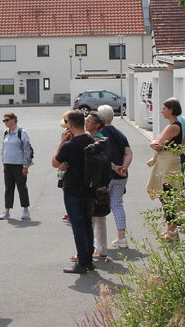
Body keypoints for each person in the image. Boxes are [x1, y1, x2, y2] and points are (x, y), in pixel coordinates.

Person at [51, 110, 96, 274]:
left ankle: (82, 263)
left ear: (70, 125)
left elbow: (55, 163)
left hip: (73, 190)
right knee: (87, 224)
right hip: (90, 188)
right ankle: (89, 260)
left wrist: (62, 141)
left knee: (77, 226)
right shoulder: (91, 139)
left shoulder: (70, 145)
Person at [97, 104, 133, 250]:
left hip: (105, 176)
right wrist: (124, 166)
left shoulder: (99, 134)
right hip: (121, 176)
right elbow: (128, 152)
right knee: (117, 204)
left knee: (99, 207)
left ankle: (98, 242)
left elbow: (102, 156)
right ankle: (122, 237)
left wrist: (113, 167)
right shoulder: (120, 133)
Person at [148, 98, 184, 242]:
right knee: (167, 195)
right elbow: (157, 143)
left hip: (168, 165)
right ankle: (170, 230)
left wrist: (154, 143)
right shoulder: (172, 125)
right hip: (168, 163)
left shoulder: (173, 127)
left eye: (164, 108)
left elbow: (157, 143)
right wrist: (155, 143)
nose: (161, 111)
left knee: (167, 196)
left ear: (171, 110)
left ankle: (172, 231)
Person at [0, 112, 32, 220]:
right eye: (4, 120)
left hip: (19, 165)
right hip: (8, 164)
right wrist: (4, 163)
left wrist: (25, 166)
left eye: (7, 120)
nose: (5, 122)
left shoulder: (22, 133)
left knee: (21, 187)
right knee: (8, 187)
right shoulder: (5, 133)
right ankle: (7, 210)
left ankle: (26, 210)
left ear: (14, 120)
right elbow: (3, 149)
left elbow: (27, 150)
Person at [84, 111, 108, 259]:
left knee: (90, 219)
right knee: (100, 218)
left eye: (88, 121)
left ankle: (87, 250)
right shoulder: (105, 140)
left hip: (92, 184)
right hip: (103, 183)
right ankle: (102, 249)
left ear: (97, 125)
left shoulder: (94, 141)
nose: (86, 123)